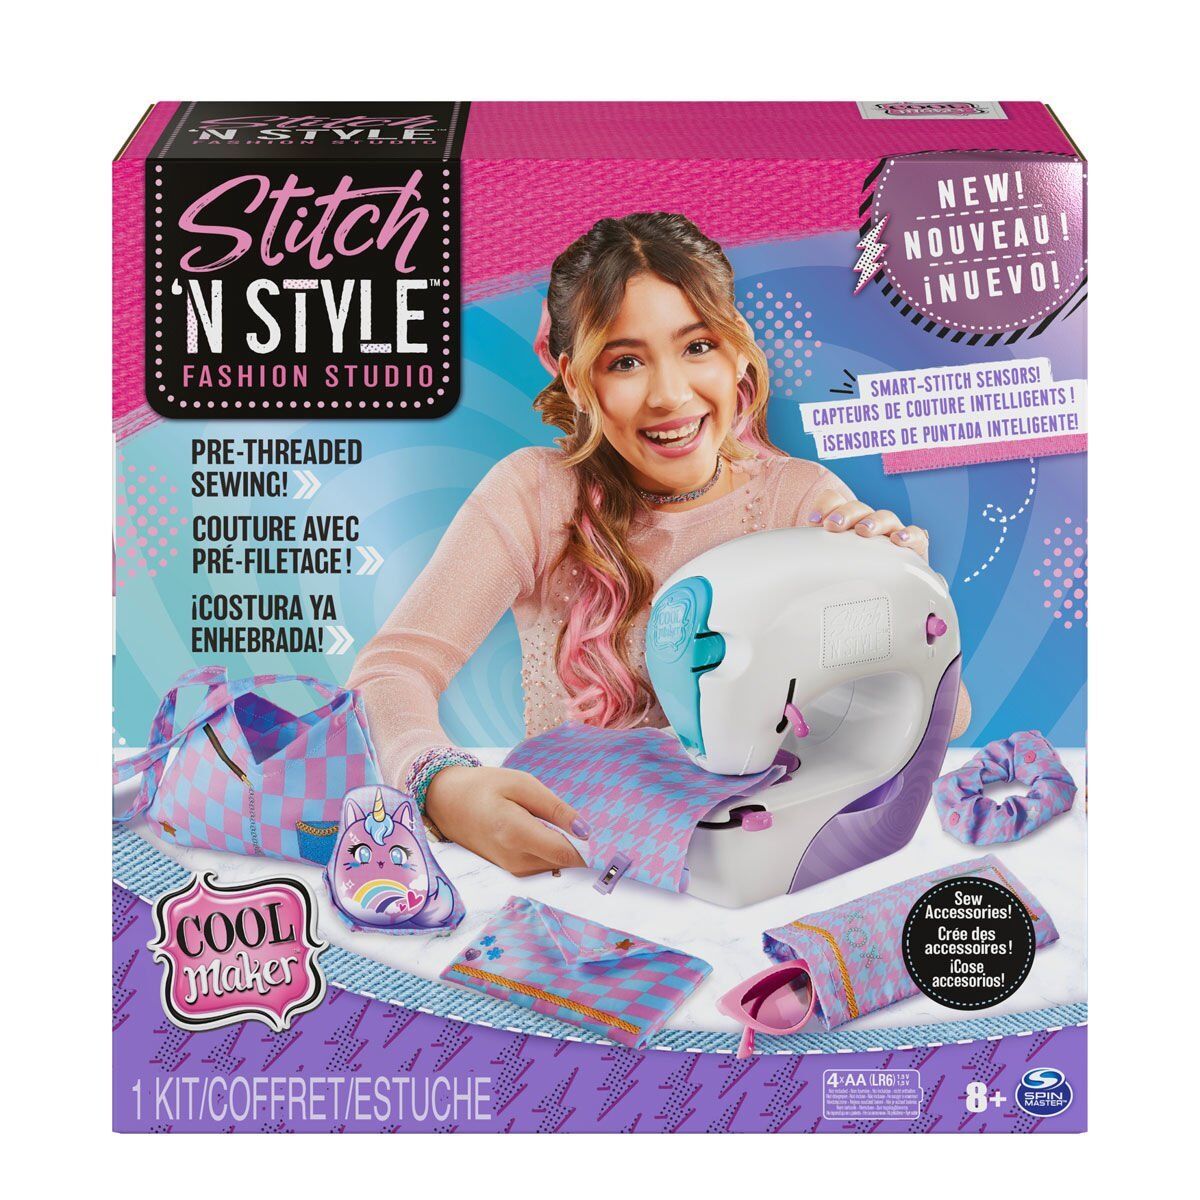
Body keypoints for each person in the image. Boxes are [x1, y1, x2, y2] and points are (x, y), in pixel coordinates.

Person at [349, 212, 969, 876]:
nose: (671, 395)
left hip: (761, 856)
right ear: (574, 379)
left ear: (738, 352)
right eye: (625, 362)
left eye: (698, 346)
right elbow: (391, 672)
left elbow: (950, 716)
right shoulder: (535, 496)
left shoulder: (801, 502)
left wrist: (904, 608)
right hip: (570, 860)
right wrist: (442, 784)